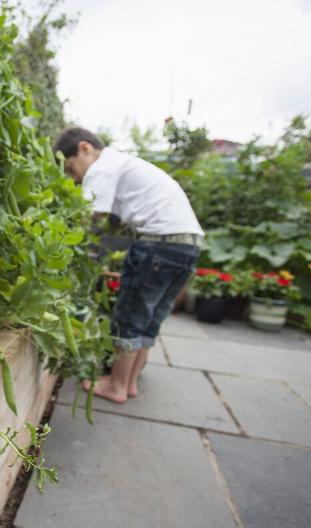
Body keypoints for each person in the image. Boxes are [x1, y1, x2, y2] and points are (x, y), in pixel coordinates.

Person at [53, 127, 203, 404]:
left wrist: (59, 241)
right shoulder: (124, 164)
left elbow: (88, 218)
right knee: (149, 319)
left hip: (158, 244)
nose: (74, 178)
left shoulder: (102, 168)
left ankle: (117, 386)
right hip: (188, 245)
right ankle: (129, 382)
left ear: (85, 148)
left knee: (129, 317)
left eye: (72, 168)